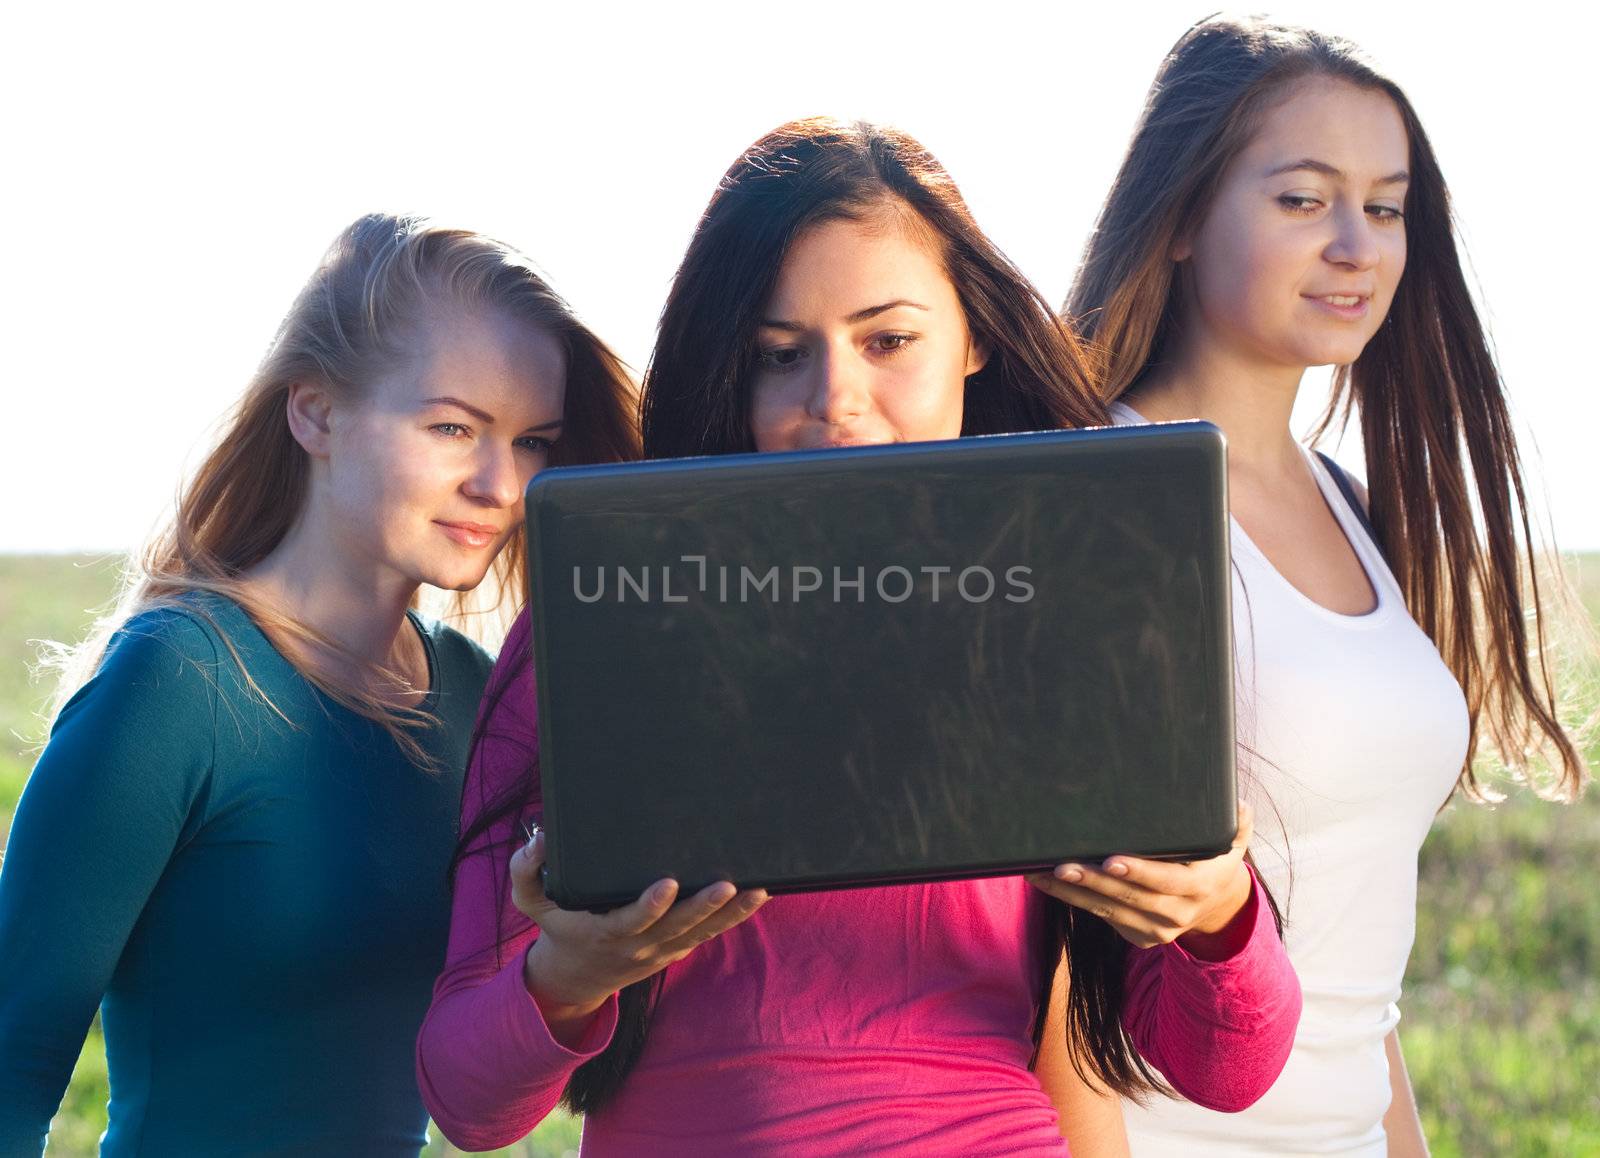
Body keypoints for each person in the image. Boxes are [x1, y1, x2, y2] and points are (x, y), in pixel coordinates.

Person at [418, 118, 1302, 1157]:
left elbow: (1228, 1070)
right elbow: (469, 1105)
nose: (834, 400)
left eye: (887, 341)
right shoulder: (597, 624)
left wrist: (1216, 914)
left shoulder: (1076, 617)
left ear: (973, 335)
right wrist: (568, 975)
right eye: (779, 356)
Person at [0, 214, 638, 1156]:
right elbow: (12, 1061)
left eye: (532, 440)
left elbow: (489, 1059)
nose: (501, 485)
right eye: (453, 426)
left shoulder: (475, 694)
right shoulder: (177, 682)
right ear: (316, 413)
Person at [1065, 16, 1591, 1156]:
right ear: (1179, 224)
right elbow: (1041, 954)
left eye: (1386, 206)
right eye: (1303, 200)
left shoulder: (1354, 507)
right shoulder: (1094, 502)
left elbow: (1359, 963)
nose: (1356, 244)